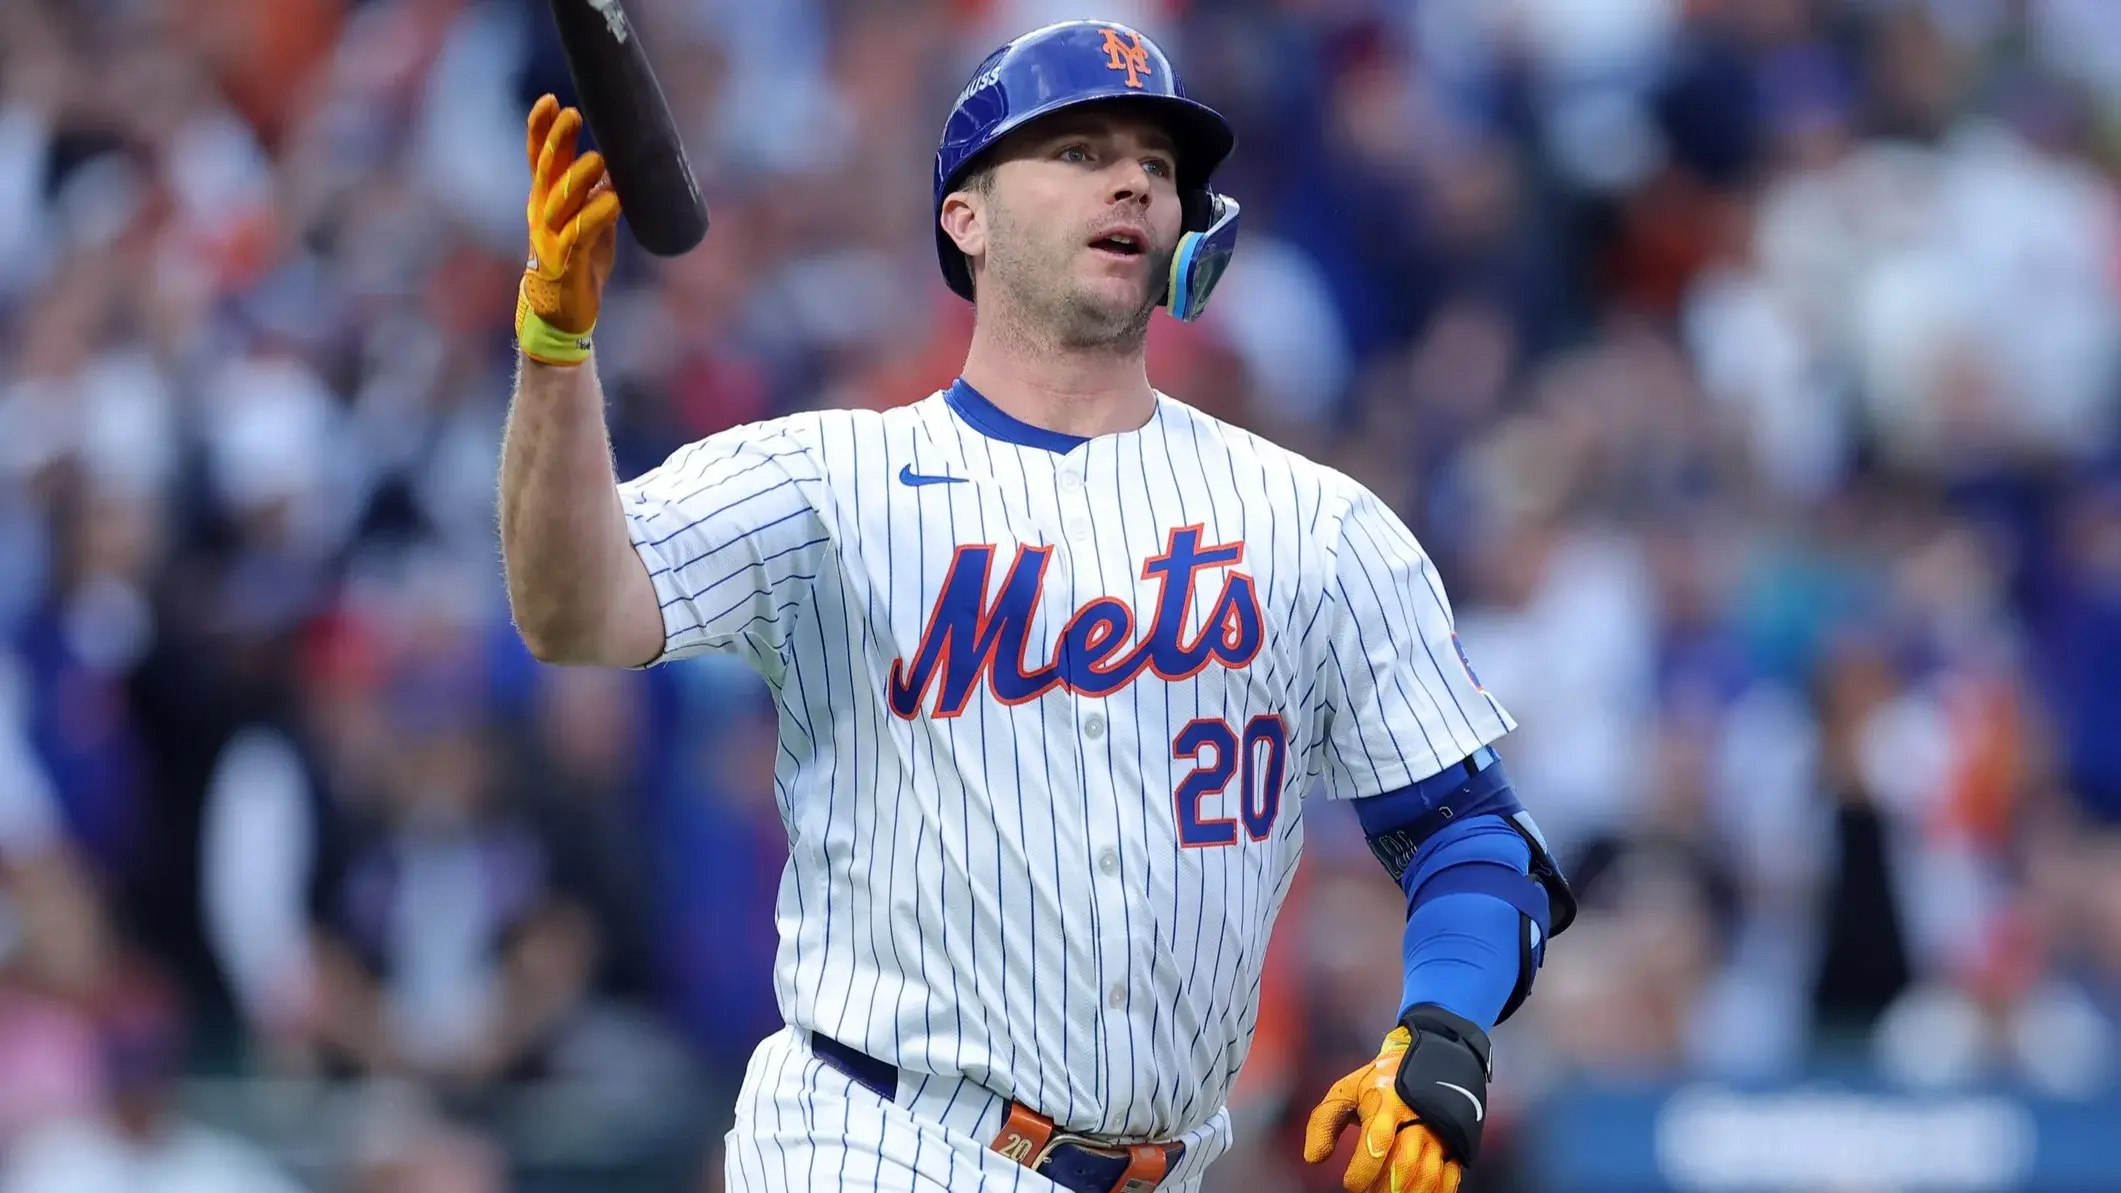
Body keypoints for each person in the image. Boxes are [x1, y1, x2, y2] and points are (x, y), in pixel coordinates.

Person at [495, 20, 1573, 1193]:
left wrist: (1446, 1025)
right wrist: (558, 348)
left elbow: (1470, 830)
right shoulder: (826, 477)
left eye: (1157, 166)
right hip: (878, 1134)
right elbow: (571, 609)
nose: (1130, 179)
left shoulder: (1312, 523)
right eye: (1075, 151)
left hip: (1167, 1163)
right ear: (966, 215)